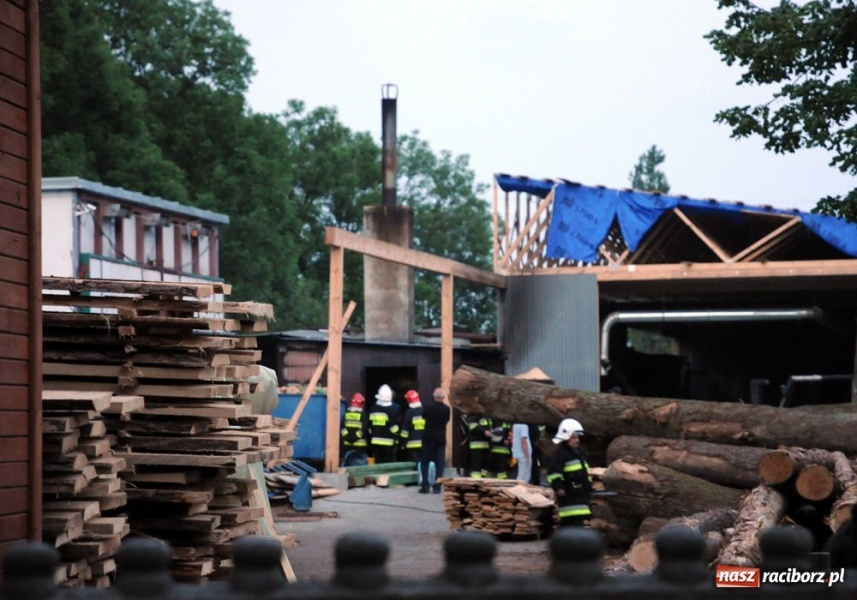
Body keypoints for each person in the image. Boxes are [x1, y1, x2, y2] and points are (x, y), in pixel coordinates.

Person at [546, 418, 592, 528]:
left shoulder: (579, 453)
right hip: (569, 496)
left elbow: (583, 473)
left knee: (574, 524)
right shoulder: (560, 454)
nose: (577, 440)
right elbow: (554, 473)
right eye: (574, 437)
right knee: (571, 524)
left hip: (580, 495)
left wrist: (589, 487)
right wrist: (559, 488)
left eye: (578, 437)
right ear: (566, 437)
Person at [419, 387, 450, 493]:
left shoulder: (427, 407)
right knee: (440, 463)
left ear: (434, 397)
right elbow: (446, 420)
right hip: (441, 437)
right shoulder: (446, 409)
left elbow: (423, 417)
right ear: (443, 397)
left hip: (428, 436)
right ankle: (437, 487)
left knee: (425, 462)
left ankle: (425, 486)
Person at [369, 384, 400, 464]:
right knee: (389, 465)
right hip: (389, 443)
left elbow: (369, 426)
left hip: (375, 442)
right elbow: (394, 427)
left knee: (378, 464)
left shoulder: (373, 408)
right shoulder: (394, 409)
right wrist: (397, 438)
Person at [340, 393, 368, 466]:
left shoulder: (346, 414)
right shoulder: (363, 415)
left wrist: (348, 437)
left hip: (347, 445)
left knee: (347, 467)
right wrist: (355, 437)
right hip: (360, 447)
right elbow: (364, 429)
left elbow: (342, 427)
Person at [399, 390, 425, 465]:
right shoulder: (424, 411)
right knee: (423, 464)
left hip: (412, 444)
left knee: (414, 464)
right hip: (423, 444)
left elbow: (405, 431)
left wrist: (403, 443)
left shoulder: (409, 413)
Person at [465, 414, 491, 478]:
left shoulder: (486, 416)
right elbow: (472, 426)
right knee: (476, 468)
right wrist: (484, 431)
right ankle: (475, 481)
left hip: (486, 446)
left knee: (485, 467)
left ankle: (483, 479)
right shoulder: (473, 415)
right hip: (476, 446)